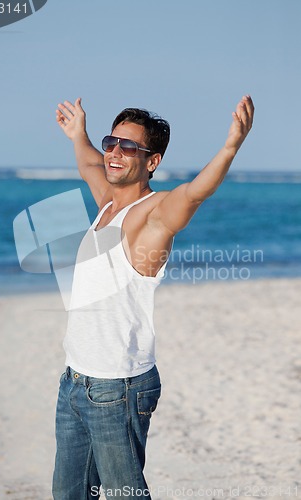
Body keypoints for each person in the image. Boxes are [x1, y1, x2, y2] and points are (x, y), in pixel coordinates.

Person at [53, 95, 254, 499]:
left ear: (152, 162)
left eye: (128, 147)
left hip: (118, 388)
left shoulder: (153, 217)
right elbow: (92, 163)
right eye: (113, 142)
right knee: (69, 494)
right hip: (74, 381)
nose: (115, 152)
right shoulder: (107, 203)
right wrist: (80, 135)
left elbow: (194, 194)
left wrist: (231, 146)